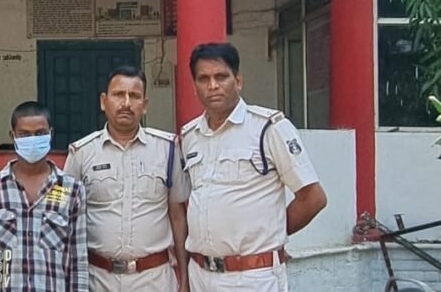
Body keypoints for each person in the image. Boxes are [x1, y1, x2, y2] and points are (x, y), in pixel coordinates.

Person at [181, 43, 327, 292]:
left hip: (252, 277)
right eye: (203, 79)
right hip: (200, 276)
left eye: (221, 77)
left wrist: (271, 236)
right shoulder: (189, 136)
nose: (212, 85)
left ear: (238, 81)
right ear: (194, 87)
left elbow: (313, 198)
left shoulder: (268, 128)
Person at [65, 66, 189, 292]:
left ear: (145, 104)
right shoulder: (81, 153)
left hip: (154, 280)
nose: (126, 103)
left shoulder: (168, 149)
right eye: (118, 94)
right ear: (103, 102)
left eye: (134, 96)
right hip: (98, 279)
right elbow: (66, 218)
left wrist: (185, 279)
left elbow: (177, 215)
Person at [0, 101, 88, 292]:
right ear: (13, 136)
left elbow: (78, 262)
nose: (32, 140)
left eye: (40, 133)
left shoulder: (71, 190)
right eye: (24, 134)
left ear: (50, 134)